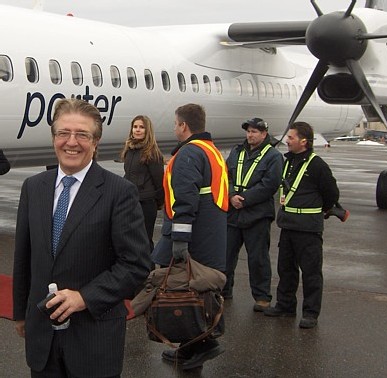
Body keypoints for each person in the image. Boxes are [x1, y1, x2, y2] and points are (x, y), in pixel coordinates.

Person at [13, 98, 151, 377]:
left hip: (94, 339)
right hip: (42, 339)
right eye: (63, 133)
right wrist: (20, 313)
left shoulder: (119, 192)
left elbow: (135, 265)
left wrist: (84, 298)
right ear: (54, 137)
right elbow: (24, 256)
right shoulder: (33, 187)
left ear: (96, 141)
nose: (71, 142)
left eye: (82, 135)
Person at [152, 103, 228, 370]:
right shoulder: (212, 152)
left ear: (183, 125)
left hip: (194, 236)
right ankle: (189, 349)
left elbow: (185, 199)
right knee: (197, 292)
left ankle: (203, 345)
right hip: (212, 234)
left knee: (184, 293)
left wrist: (180, 240)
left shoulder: (188, 154)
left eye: (175, 123)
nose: (174, 128)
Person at [264, 121, 340, 329]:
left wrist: (318, 208)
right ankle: (285, 306)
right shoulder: (288, 162)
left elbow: (332, 194)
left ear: (303, 141)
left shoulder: (317, 165)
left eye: (291, 137)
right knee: (286, 269)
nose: (287, 141)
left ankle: (310, 313)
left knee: (311, 272)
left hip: (308, 228)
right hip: (288, 225)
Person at [222, 118, 283, 312]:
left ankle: (262, 296)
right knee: (226, 255)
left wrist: (245, 199)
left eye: (255, 132)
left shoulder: (273, 156)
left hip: (257, 214)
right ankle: (224, 290)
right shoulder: (236, 152)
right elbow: (227, 176)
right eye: (248, 131)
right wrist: (232, 195)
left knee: (257, 258)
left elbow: (270, 184)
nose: (250, 135)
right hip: (233, 213)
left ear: (264, 134)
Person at [120, 115, 164, 253]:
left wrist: (158, 202)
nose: (137, 130)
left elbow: (159, 181)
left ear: (147, 130)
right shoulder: (129, 150)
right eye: (135, 127)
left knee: (144, 241)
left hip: (146, 203)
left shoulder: (152, 153)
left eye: (141, 127)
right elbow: (127, 174)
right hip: (130, 202)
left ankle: (149, 271)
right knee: (129, 240)